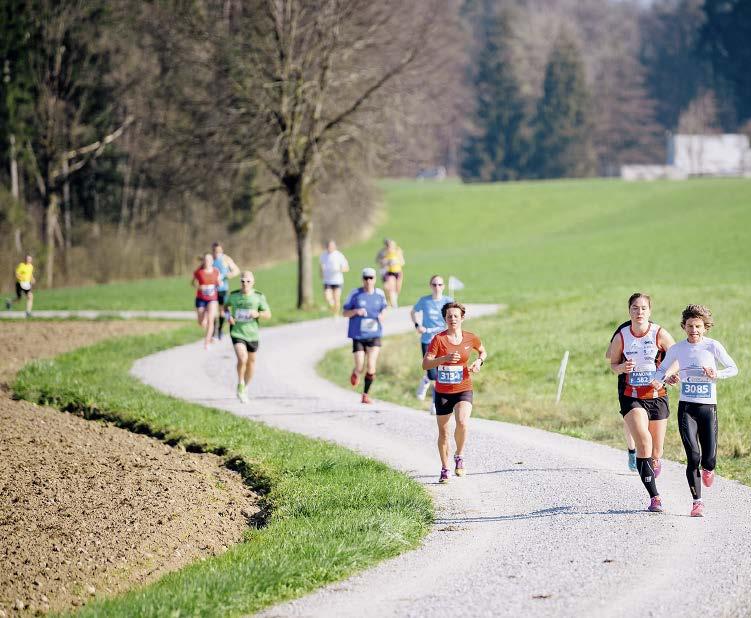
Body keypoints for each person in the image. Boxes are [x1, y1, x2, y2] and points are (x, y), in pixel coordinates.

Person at [652, 305, 738, 517]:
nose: (694, 330)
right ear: (684, 326)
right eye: (690, 326)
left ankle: (709, 469)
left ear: (705, 327)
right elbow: (661, 370)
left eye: (698, 326)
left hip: (708, 408)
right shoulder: (678, 349)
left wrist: (715, 374)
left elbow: (733, 368)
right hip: (687, 408)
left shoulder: (712, 346)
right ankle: (697, 502)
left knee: (708, 459)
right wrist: (665, 378)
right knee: (693, 456)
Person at [606, 292, 676, 512]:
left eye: (643, 308)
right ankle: (655, 497)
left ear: (650, 311)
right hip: (631, 395)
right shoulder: (622, 335)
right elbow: (613, 364)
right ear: (629, 311)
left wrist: (668, 375)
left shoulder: (659, 333)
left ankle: (654, 461)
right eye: (635, 308)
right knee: (643, 442)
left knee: (656, 451)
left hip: (657, 396)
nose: (639, 312)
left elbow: (677, 358)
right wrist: (621, 368)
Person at [422, 302, 487, 484]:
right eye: (449, 316)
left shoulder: (470, 338)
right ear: (445, 319)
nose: (453, 319)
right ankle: (444, 468)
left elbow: (482, 352)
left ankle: (459, 455)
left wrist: (478, 362)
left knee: (463, 422)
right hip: (443, 392)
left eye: (456, 316)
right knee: (443, 432)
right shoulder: (438, 340)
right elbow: (426, 364)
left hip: (463, 388)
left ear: (462, 318)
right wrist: (444, 358)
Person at [342, 267, 388, 404]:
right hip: (358, 335)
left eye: (371, 278)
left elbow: (384, 308)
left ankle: (365, 395)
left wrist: (382, 315)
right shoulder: (355, 294)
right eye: (366, 278)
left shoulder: (379, 294)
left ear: (375, 279)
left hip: (374, 334)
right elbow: (344, 313)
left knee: (371, 366)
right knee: (360, 366)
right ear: (362, 279)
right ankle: (356, 372)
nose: (368, 281)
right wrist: (356, 311)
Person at [226, 271, 271, 403]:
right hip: (237, 332)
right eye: (242, 281)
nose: (245, 283)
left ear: (253, 283)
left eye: (248, 281)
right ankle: (240, 383)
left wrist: (257, 314)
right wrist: (229, 317)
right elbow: (224, 309)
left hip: (252, 334)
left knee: (251, 363)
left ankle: (244, 387)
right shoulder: (233, 296)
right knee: (242, 358)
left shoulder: (258, 297)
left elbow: (268, 314)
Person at [410, 275, 453, 412]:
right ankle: (435, 402)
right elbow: (413, 312)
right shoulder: (424, 301)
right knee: (433, 373)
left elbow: (457, 316)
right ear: (430, 286)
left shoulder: (448, 301)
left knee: (440, 373)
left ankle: (433, 397)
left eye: (440, 285)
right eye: (434, 285)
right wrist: (417, 325)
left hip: (444, 341)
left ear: (444, 286)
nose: (437, 288)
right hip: (428, 340)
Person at [212, 242, 240, 339]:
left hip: (223, 289)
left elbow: (236, 270)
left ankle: (220, 330)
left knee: (222, 311)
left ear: (222, 250)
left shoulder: (225, 259)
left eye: (219, 251)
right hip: (212, 290)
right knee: (213, 311)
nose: (216, 253)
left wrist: (226, 276)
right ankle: (213, 331)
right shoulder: (210, 259)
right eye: (215, 251)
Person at [192, 254, 220, 349]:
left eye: (209, 259)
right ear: (203, 261)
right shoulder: (199, 272)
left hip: (212, 299)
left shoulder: (216, 271)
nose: (208, 261)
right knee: (201, 322)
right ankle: (204, 319)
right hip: (201, 299)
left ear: (212, 261)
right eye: (206, 260)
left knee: (211, 320)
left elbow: (219, 282)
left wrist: (219, 283)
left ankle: (207, 342)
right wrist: (200, 287)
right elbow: (193, 283)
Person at [319, 240, 349, 317]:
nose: (330, 248)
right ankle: (333, 309)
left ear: (335, 247)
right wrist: (321, 274)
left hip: (337, 280)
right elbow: (321, 266)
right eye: (329, 246)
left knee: (337, 299)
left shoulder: (339, 255)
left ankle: (336, 314)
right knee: (327, 297)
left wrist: (339, 269)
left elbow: (346, 268)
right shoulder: (323, 255)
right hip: (327, 280)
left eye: (332, 246)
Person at [375, 238, 404, 308]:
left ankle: (391, 300)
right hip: (388, 272)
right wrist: (386, 261)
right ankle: (393, 304)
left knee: (397, 288)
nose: (390, 246)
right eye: (388, 245)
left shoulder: (398, 251)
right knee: (390, 287)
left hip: (398, 271)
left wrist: (396, 261)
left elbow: (402, 262)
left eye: (392, 245)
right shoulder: (383, 252)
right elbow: (378, 261)